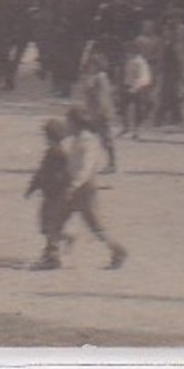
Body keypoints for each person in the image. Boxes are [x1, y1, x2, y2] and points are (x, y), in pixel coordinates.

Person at [59, 107, 127, 269]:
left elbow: (86, 167)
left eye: (69, 122)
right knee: (57, 217)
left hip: (84, 188)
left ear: (77, 124)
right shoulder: (77, 139)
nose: (66, 126)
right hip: (75, 185)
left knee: (95, 225)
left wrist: (73, 184)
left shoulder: (87, 141)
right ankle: (65, 239)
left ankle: (117, 249)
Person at [24, 118, 73, 270]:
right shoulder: (51, 153)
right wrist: (32, 188)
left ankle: (52, 257)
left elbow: (69, 173)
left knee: (50, 225)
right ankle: (62, 240)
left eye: (46, 136)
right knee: (45, 225)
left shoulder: (61, 154)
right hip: (49, 194)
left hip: (57, 195)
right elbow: (41, 173)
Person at [77, 52, 118, 173]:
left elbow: (98, 95)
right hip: (97, 112)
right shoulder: (100, 77)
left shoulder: (99, 78)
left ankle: (112, 163)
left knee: (105, 138)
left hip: (99, 112)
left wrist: (84, 77)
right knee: (99, 138)